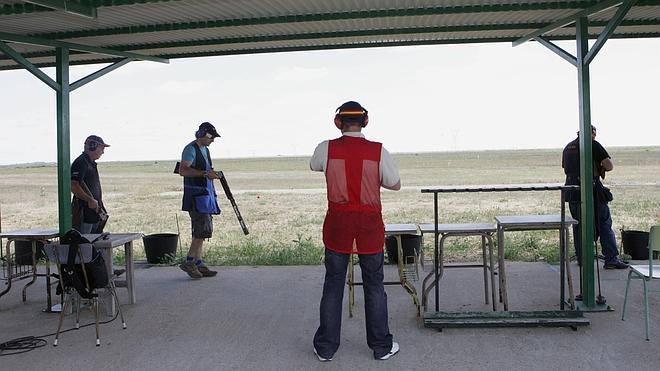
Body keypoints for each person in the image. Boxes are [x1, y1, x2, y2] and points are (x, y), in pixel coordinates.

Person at [311, 101, 401, 362]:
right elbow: (394, 184)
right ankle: (381, 346)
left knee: (333, 286)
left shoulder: (325, 148)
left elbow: (314, 165)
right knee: (374, 286)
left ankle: (326, 347)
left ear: (338, 123)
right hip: (369, 226)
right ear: (365, 122)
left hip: (337, 224)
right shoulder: (378, 151)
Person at [562, 125, 628, 270]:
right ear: (591, 133)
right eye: (594, 134)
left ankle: (582, 258)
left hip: (572, 190)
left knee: (579, 225)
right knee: (604, 223)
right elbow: (609, 165)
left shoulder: (568, 147)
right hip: (591, 190)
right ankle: (611, 258)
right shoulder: (593, 145)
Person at [177, 122, 222, 279]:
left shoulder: (205, 150)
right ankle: (189, 261)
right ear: (203, 134)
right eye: (211, 137)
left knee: (202, 231)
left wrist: (211, 174)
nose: (212, 140)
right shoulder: (190, 149)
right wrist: (204, 174)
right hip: (196, 198)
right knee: (201, 230)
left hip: (206, 197)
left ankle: (198, 263)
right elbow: (183, 170)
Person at [71, 135, 110, 234]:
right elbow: (74, 185)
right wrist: (89, 199)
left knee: (94, 244)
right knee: (84, 244)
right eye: (102, 148)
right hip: (84, 213)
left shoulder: (89, 163)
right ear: (93, 146)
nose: (103, 152)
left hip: (93, 212)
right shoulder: (81, 162)